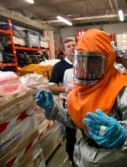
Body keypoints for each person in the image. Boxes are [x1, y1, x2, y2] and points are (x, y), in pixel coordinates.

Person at [36, 29, 127, 167]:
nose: (85, 68)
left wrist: (124, 136)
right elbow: (75, 120)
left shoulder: (124, 90)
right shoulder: (81, 90)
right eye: (81, 61)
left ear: (105, 61)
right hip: (83, 157)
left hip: (116, 161)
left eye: (91, 61)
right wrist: (54, 110)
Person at [48, 38, 76, 166]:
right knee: (71, 133)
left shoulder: (83, 62)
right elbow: (52, 86)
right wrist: (64, 88)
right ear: (64, 51)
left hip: (87, 102)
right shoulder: (59, 66)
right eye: (69, 46)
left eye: (74, 45)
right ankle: (72, 157)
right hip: (69, 103)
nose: (72, 47)